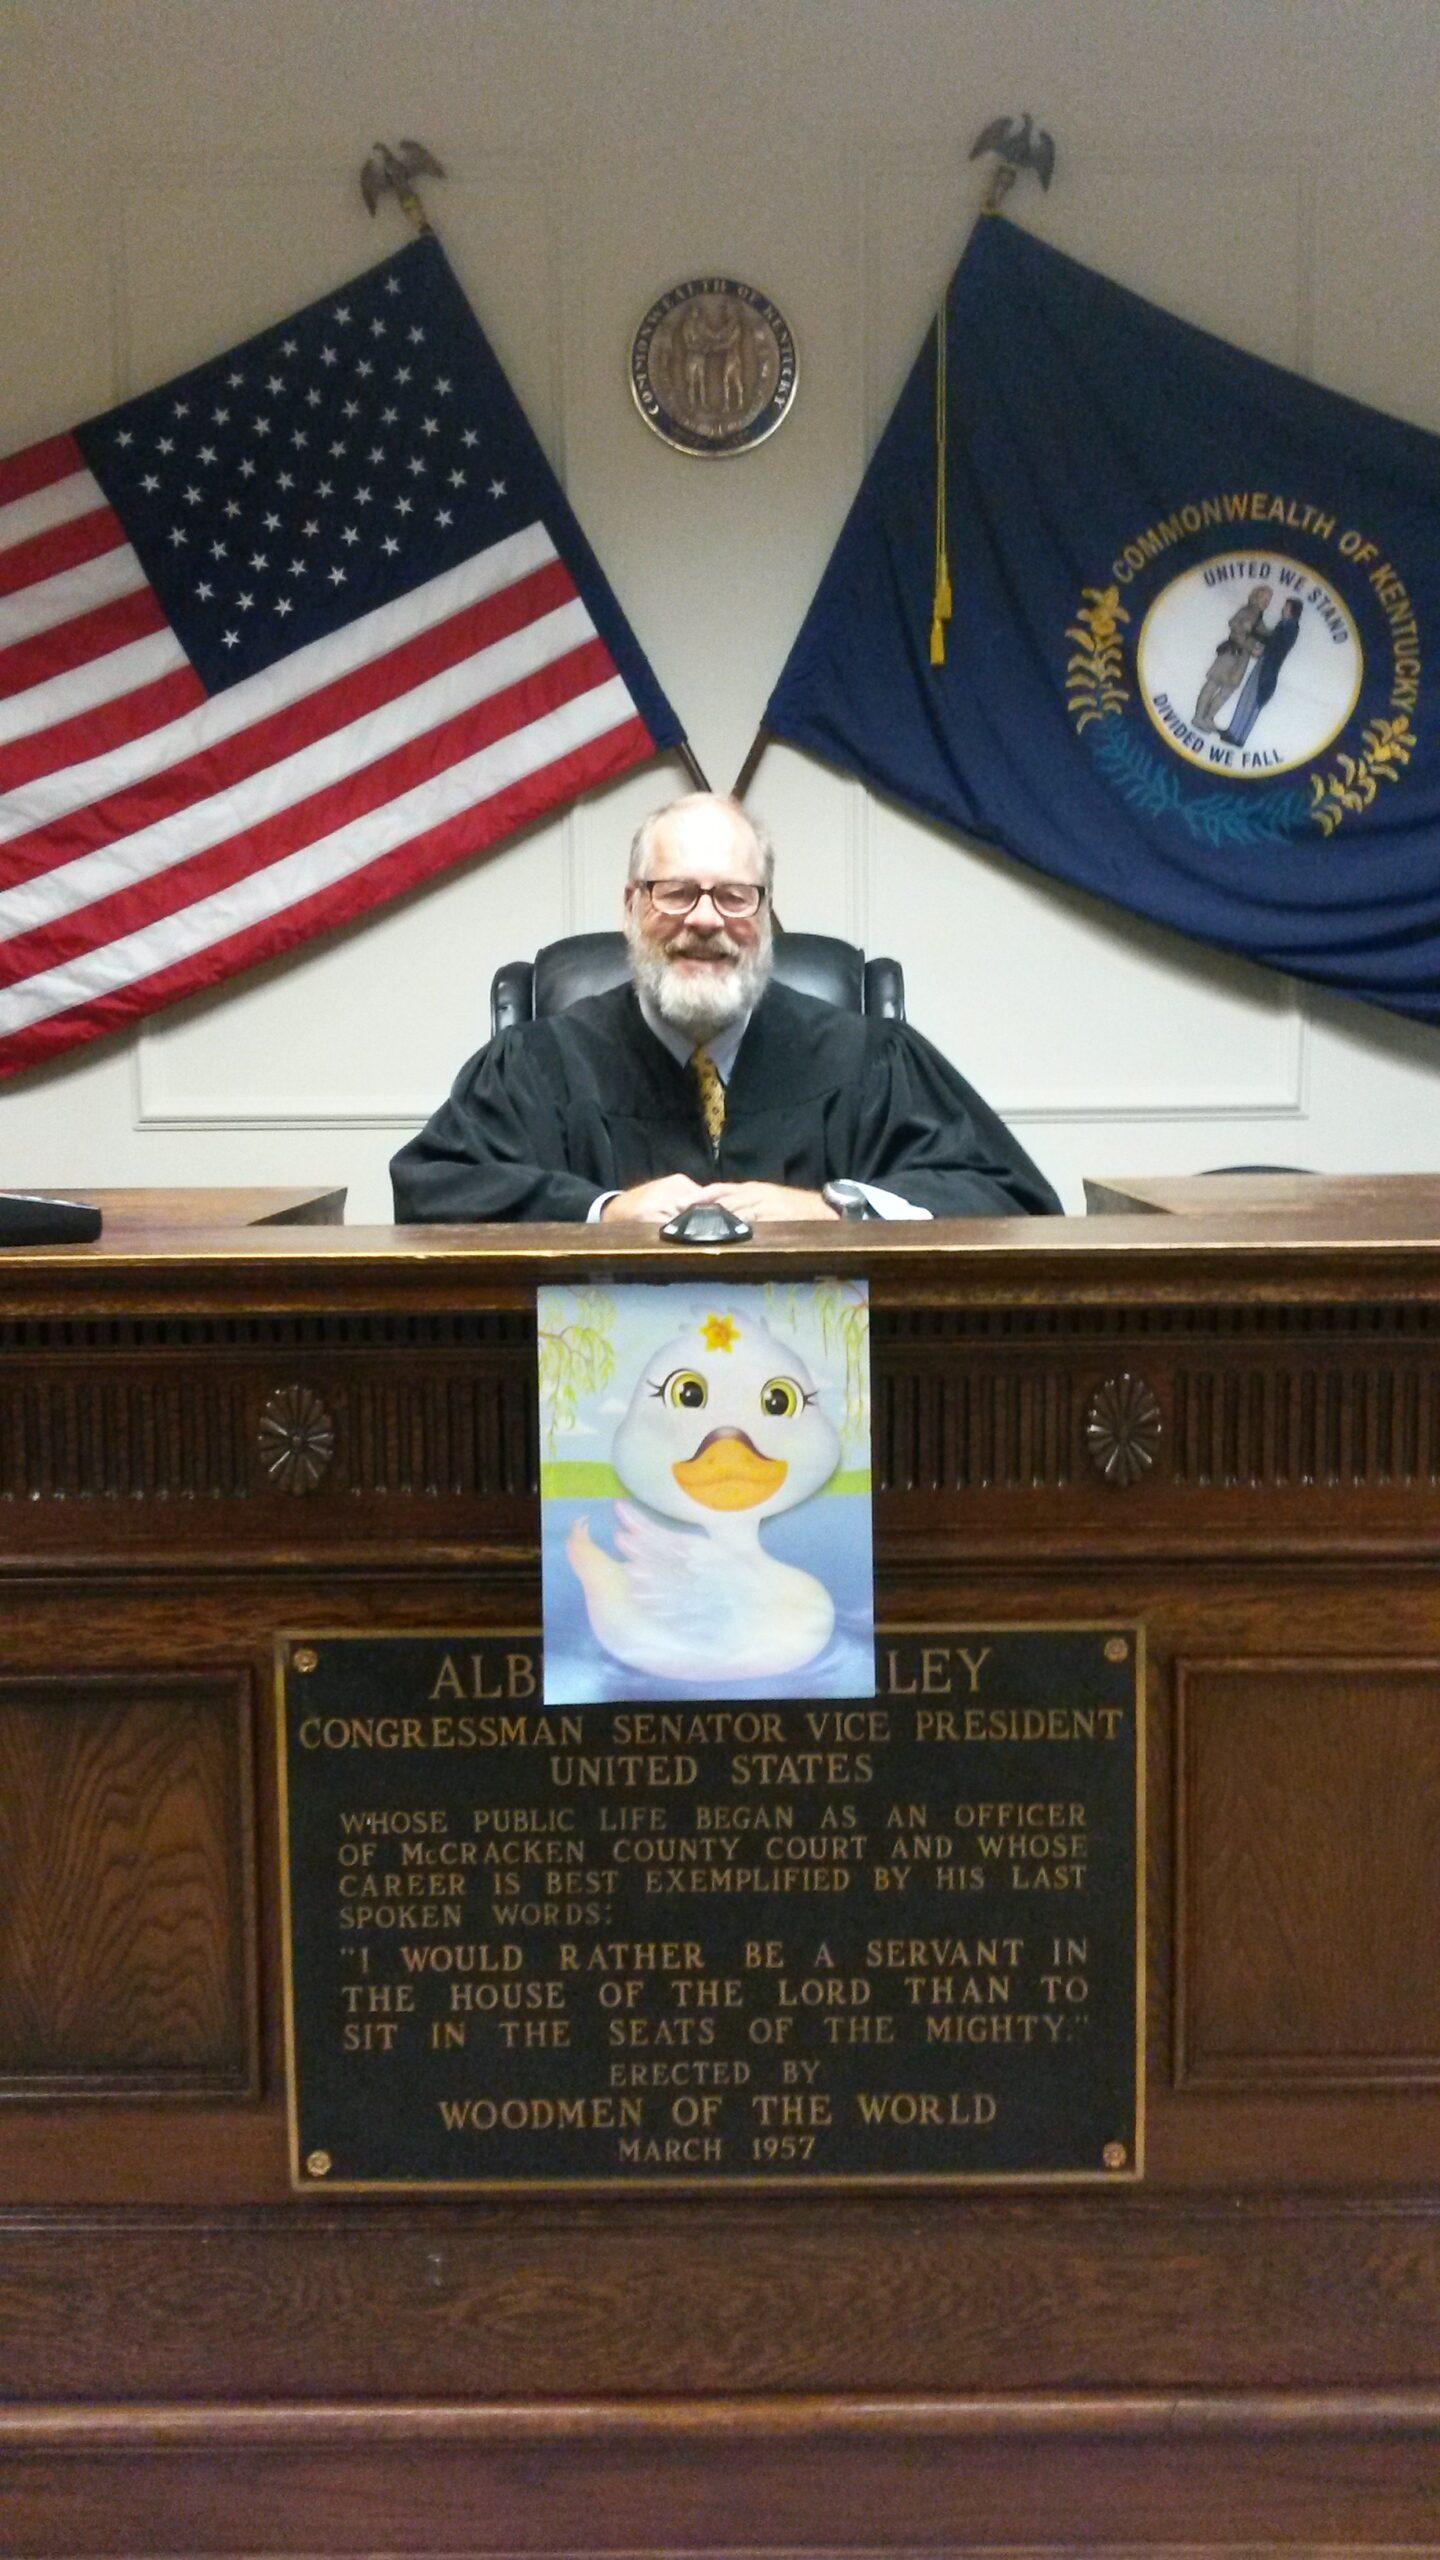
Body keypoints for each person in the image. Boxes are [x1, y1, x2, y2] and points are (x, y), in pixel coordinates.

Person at [390, 793, 1059, 1226]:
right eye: (676, 893)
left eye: (735, 896)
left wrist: (837, 1209)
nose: (706, 921)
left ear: (765, 912)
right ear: (630, 907)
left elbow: (1011, 1199)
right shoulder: (538, 1065)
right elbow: (433, 1193)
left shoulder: (868, 1059)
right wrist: (603, 1211)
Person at [1219, 597, 1302, 747]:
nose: (1283, 609)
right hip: (1265, 663)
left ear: (1292, 611)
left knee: (1252, 702)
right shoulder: (1284, 625)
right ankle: (1233, 732)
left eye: (1286, 607)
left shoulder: (1290, 627)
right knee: (1247, 698)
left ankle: (1239, 737)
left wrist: (1254, 634)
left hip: (1268, 669)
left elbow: (1274, 644)